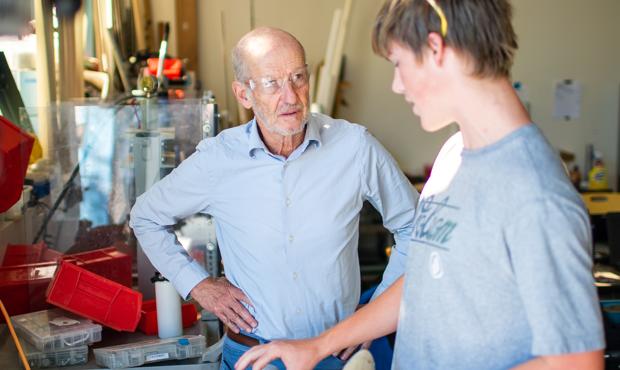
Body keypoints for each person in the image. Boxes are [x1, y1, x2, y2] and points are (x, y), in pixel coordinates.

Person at [235, 1, 605, 369]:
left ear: (435, 49)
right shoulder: (453, 157)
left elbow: (576, 363)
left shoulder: (533, 192)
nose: (397, 85)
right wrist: (319, 346)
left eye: (399, 64)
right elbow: (423, 279)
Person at [129, 27, 419, 370]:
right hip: (253, 357)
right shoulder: (217, 160)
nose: (292, 96)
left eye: (298, 77)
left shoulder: (354, 147)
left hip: (337, 356)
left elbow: (416, 227)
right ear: (243, 94)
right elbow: (145, 217)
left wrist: (376, 313)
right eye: (272, 83)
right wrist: (198, 285)